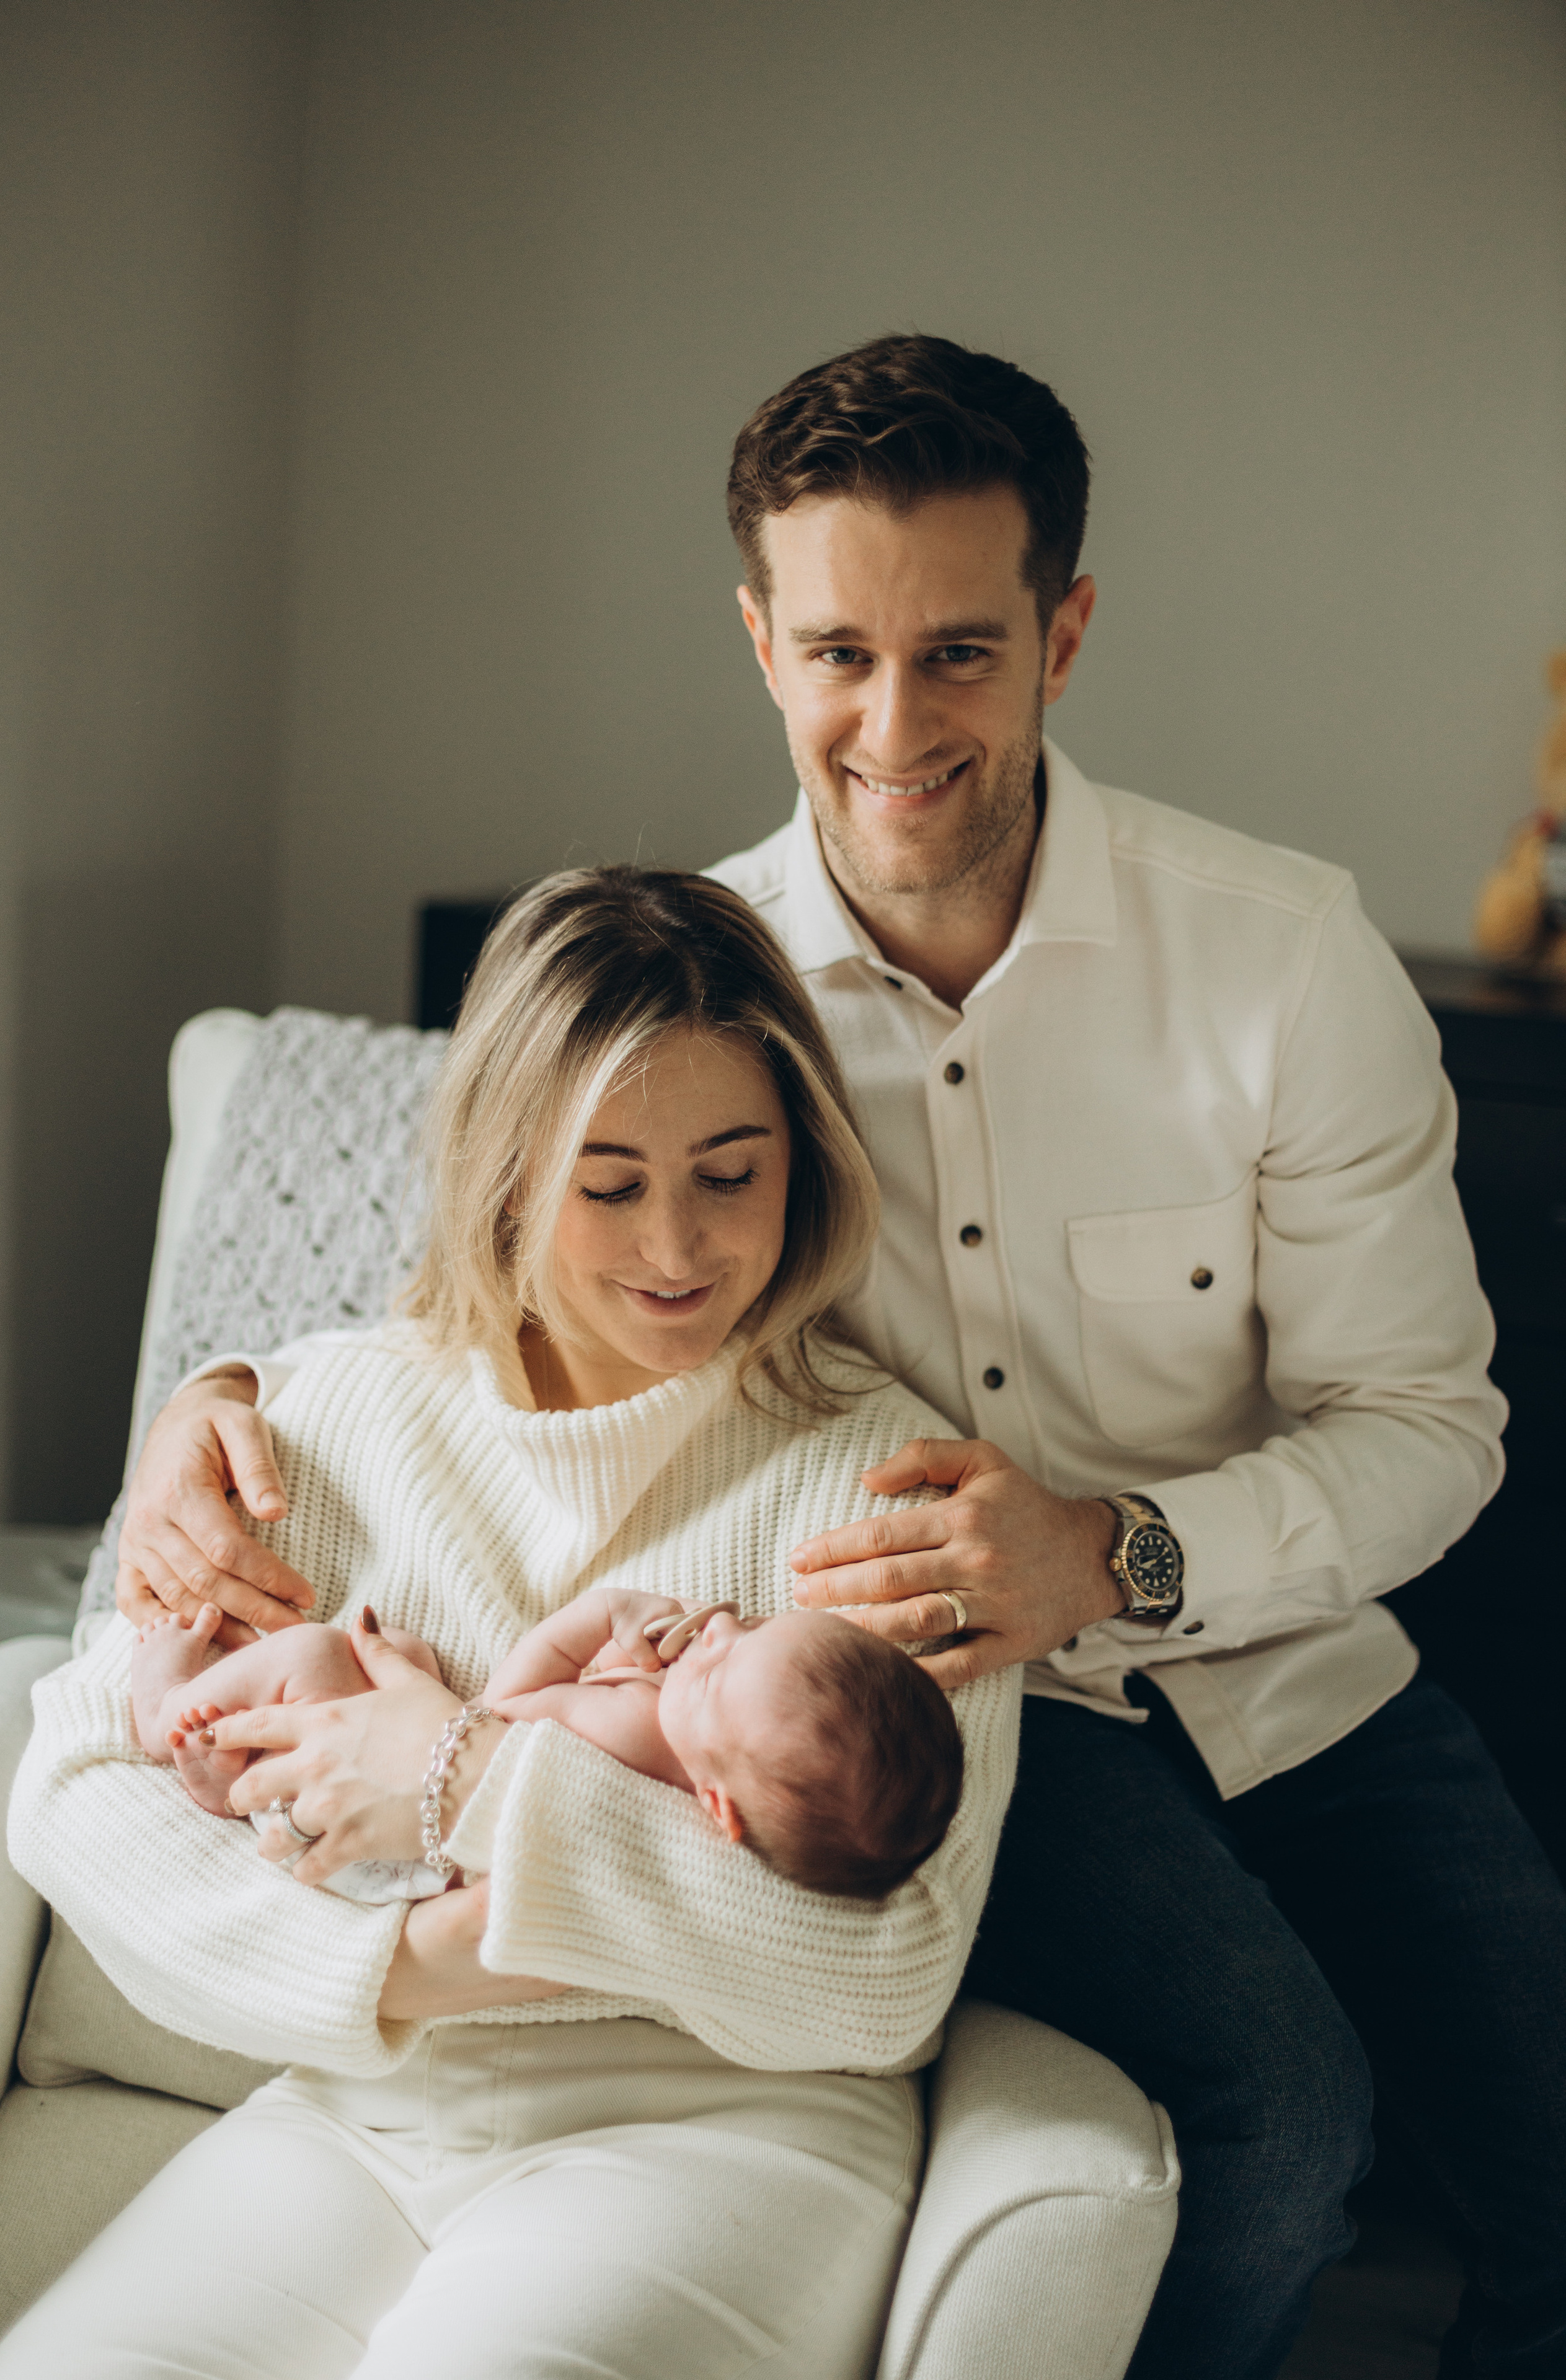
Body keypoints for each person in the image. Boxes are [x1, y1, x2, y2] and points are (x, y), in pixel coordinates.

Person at [116, 333, 1566, 2379]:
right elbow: (469, 1277)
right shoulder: (698, 970)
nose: (895, 726)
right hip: (944, 1718)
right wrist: (213, 1405)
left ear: (1064, 633)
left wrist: (1118, 1554)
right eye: (837, 654)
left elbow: (1431, 1432)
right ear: (761, 641)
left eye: (960, 652)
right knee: (1284, 2131)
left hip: (1293, 1648)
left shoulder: (1280, 957)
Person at [0, 866, 1024, 2380]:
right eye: (606, 1185)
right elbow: (76, 1793)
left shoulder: (881, 1493)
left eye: (729, 1173)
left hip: (724, 2130)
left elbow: (880, 1973)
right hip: (363, 2101)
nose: (676, 1247)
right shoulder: (320, 1419)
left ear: (801, 1160)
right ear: (502, 1174)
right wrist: (416, 1964)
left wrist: (459, 1771)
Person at [131, 1582, 964, 1902]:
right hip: (408, 1844)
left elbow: (500, 1709)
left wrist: (600, 1620)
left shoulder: (634, 1729)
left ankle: (168, 1709)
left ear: (719, 1805)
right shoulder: (693, 1770)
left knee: (321, 1656)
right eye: (747, 1632)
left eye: (714, 1674)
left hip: (389, 1850)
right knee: (406, 1659)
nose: (711, 1635)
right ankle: (234, 1762)